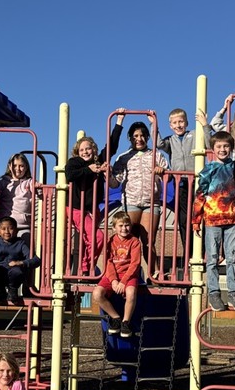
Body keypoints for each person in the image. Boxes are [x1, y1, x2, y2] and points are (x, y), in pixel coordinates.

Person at [192, 131, 235, 313]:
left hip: (232, 218)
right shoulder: (208, 169)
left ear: (231, 148)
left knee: (232, 257)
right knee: (213, 258)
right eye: (219, 147)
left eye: (226, 146)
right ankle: (214, 293)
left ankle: (233, 293)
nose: (223, 149)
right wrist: (196, 219)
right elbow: (200, 195)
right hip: (212, 219)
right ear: (213, 149)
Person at [64, 115, 125, 276]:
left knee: (88, 240)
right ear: (77, 152)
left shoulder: (99, 162)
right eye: (82, 149)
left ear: (94, 149)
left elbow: (112, 146)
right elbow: (70, 175)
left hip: (92, 208)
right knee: (98, 237)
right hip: (77, 207)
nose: (85, 152)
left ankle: (85, 266)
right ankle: (87, 267)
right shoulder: (74, 163)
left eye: (88, 148)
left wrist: (119, 122)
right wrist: (89, 170)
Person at [110, 120, 168, 278]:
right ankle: (128, 273)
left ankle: (154, 272)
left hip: (151, 202)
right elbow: (115, 183)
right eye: (136, 136)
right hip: (132, 201)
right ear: (130, 138)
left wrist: (162, 172)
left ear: (148, 137)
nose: (139, 138)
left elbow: (168, 179)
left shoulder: (156, 155)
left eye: (143, 135)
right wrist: (108, 174)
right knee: (130, 239)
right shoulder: (124, 157)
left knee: (149, 240)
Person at [156, 107, 196, 278]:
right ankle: (189, 254)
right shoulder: (170, 140)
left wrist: (204, 125)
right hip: (181, 183)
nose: (178, 125)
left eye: (181, 122)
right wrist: (154, 126)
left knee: (198, 217)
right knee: (183, 220)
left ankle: (201, 251)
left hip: (196, 181)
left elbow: (209, 141)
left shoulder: (194, 135)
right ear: (170, 125)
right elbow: (158, 144)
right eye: (175, 123)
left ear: (186, 122)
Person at [92, 210, 141, 338]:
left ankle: (126, 322)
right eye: (120, 225)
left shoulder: (135, 242)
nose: (124, 228)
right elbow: (108, 262)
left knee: (131, 293)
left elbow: (134, 264)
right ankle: (116, 318)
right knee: (97, 294)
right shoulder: (110, 241)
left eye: (127, 225)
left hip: (128, 275)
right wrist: (114, 280)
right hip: (112, 275)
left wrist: (123, 282)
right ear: (114, 228)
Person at [0, 217, 40, 306]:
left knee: (17, 270)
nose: (7, 232)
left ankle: (12, 290)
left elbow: (36, 260)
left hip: (13, 275)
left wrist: (20, 263)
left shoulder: (20, 243)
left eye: (10, 228)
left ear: (16, 231)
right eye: (3, 229)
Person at [0, 152, 35, 241]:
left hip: (23, 225)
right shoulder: (3, 182)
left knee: (26, 249)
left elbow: (40, 194)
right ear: (9, 166)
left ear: (26, 167)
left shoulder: (29, 182)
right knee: (4, 251)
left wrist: (38, 187)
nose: (17, 169)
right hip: (6, 226)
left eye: (21, 166)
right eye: (14, 165)